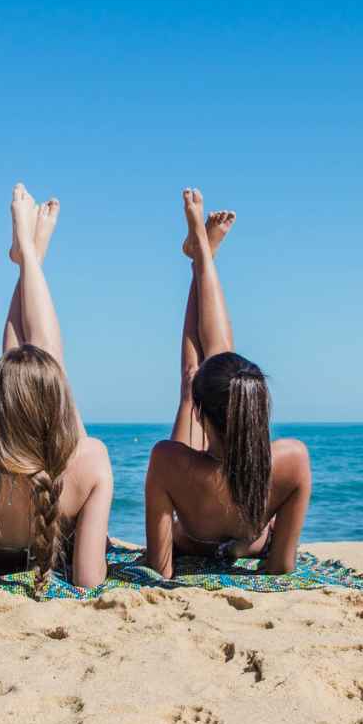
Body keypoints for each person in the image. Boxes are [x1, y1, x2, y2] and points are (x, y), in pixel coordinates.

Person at [0, 184, 114, 595]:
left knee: (25, 369)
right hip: (57, 493)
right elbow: (88, 581)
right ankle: (30, 256)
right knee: (46, 366)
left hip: (1, 499)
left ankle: (30, 256)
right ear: (59, 409)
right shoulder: (91, 460)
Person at [142, 188, 312, 578]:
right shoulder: (293, 459)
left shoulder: (169, 460)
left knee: (196, 377)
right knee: (219, 367)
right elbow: (282, 566)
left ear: (202, 415)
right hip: (246, 540)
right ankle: (201, 254)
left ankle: (201, 254)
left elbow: (160, 568)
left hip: (192, 535)